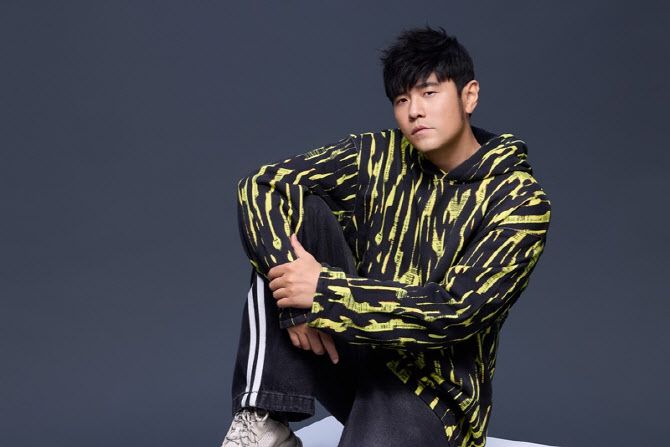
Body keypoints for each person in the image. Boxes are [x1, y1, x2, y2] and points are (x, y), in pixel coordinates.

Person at [221, 26, 551, 447]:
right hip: (352, 352)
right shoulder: (377, 155)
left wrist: (323, 293)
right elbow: (262, 184)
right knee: (294, 212)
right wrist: (297, 307)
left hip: (434, 397)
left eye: (429, 93)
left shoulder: (519, 201)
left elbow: (456, 312)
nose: (415, 111)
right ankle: (263, 422)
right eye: (401, 99)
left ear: (469, 96)